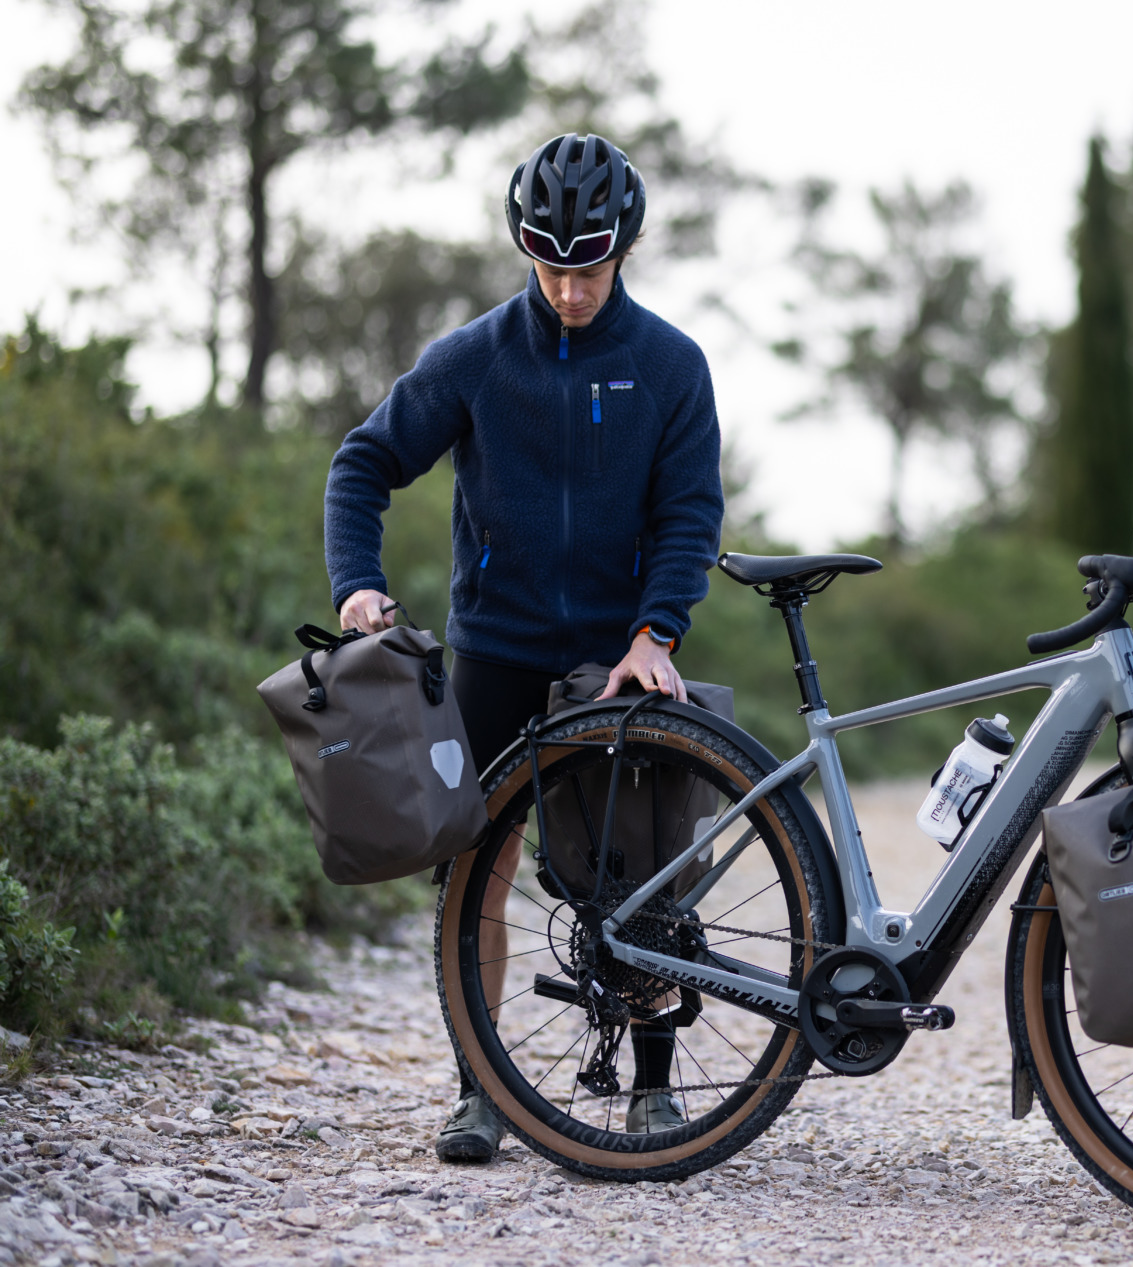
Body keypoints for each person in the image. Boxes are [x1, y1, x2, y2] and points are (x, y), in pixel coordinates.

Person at [323, 132, 724, 1162]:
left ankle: (652, 1088)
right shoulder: (476, 356)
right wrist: (357, 581)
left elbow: (688, 515)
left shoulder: (670, 366)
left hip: (617, 655)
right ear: (525, 250)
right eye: (550, 268)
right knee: (476, 871)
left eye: (589, 268)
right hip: (496, 650)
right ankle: (481, 1089)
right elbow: (363, 463)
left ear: (623, 250)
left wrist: (656, 631)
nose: (571, 291)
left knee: (638, 869)